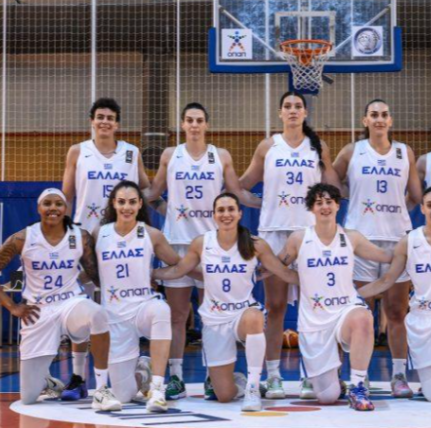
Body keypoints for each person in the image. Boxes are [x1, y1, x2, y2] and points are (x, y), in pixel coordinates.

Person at [144, 103, 261, 400]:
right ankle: (176, 376)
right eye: (189, 120)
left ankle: (212, 374)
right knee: (177, 315)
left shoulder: (221, 156)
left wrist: (268, 201)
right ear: (182, 125)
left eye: (199, 120)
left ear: (206, 125)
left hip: (212, 245)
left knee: (211, 314)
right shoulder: (170, 155)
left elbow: (237, 193)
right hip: (177, 242)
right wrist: (118, 194)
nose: (194, 125)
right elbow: (154, 193)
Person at [152, 193, 298, 412]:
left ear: (240, 213)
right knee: (224, 395)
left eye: (231, 209)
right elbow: (179, 270)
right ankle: (239, 382)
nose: (226, 214)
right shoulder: (202, 243)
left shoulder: (255, 244)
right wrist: (149, 274)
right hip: (214, 319)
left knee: (255, 317)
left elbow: (282, 272)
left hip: (242, 314)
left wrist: (312, 280)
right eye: (221, 210)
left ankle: (252, 388)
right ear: (214, 215)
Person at [0, 189, 121, 410]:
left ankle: (102, 389)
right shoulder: (22, 238)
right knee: (28, 397)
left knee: (97, 314)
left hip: (70, 303)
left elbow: (96, 275)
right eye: (47, 203)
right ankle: (47, 381)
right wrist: (12, 306)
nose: (53, 208)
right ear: (39, 208)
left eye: (58, 204)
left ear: (66, 209)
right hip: (38, 310)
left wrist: (125, 291)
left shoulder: (80, 237)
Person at [239, 91, 341, 399]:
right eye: (287, 106)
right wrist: (261, 202)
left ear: (305, 112)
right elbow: (242, 186)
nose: (293, 110)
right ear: (280, 113)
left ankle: (311, 375)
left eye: (298, 106)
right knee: (275, 306)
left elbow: (334, 187)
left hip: (309, 233)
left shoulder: (317, 146)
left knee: (313, 307)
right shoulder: (268, 146)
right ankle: (273, 376)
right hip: (273, 232)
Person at [60, 98, 151, 398]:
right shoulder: (78, 151)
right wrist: (65, 235)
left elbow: (146, 190)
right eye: (100, 117)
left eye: (110, 117)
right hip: (85, 240)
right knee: (81, 307)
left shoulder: (131, 153)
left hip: (121, 238)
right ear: (91, 121)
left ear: (117, 124)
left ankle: (132, 366)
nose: (105, 122)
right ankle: (77, 377)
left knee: (126, 304)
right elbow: (66, 196)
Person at [333, 99, 422, 398]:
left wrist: (396, 209)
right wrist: (352, 194)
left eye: (384, 114)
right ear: (365, 120)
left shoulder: (404, 152)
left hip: (397, 239)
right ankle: (361, 375)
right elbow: (331, 181)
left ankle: (398, 374)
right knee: (361, 311)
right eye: (374, 115)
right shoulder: (352, 151)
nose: (379, 119)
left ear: (390, 120)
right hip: (362, 240)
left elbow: (415, 195)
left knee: (397, 311)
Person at [277, 183, 392, 411]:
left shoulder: (351, 237)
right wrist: (250, 262)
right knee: (328, 397)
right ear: (312, 208)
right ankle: (332, 378)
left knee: (363, 317)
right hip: (315, 320)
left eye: (329, 202)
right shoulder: (299, 239)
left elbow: (385, 256)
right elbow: (276, 265)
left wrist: (414, 246)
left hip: (344, 311)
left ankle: (358, 386)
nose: (325, 207)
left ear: (338, 205)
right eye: (319, 203)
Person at [358, 186, 431, 411]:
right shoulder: (409, 241)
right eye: (430, 205)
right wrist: (351, 295)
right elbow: (387, 280)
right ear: (422, 209)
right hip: (423, 317)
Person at [96, 181, 182, 413]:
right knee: (123, 396)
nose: (127, 207)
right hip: (115, 316)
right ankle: (143, 371)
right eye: (122, 202)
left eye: (132, 202)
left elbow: (177, 264)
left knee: (162, 309)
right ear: (114, 204)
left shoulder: (151, 234)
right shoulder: (99, 234)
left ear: (140, 204)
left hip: (143, 308)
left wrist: (154, 273)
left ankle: (157, 389)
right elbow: (88, 269)